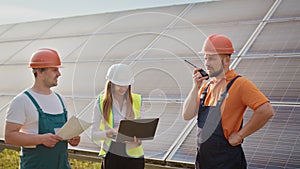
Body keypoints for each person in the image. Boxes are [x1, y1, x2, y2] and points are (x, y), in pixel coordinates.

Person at [182, 34, 274, 169]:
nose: (207, 63)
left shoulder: (240, 84)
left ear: (226, 60)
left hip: (227, 162)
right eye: (205, 58)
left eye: (212, 58)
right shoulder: (206, 87)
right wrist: (195, 86)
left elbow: (266, 110)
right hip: (204, 162)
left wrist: (241, 135)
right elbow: (187, 115)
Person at [4, 48, 81, 169]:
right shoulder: (22, 101)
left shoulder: (61, 100)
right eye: (54, 69)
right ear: (39, 71)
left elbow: (63, 132)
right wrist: (40, 139)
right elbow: (9, 136)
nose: (59, 74)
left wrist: (72, 138)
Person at [91, 63, 145, 169]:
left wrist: (138, 140)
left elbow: (141, 131)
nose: (123, 88)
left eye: (126, 84)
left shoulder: (138, 100)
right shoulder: (100, 102)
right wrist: (111, 132)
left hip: (134, 157)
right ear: (111, 83)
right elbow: (94, 135)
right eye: (119, 84)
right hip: (112, 156)